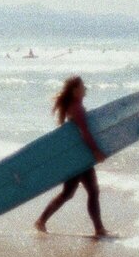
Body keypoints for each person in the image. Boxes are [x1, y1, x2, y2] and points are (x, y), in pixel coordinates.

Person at [34, 76, 109, 237]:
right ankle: (99, 229)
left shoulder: (73, 106)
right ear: (75, 91)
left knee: (70, 193)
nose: (85, 88)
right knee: (91, 192)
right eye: (82, 86)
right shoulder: (77, 108)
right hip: (80, 157)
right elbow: (85, 132)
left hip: (76, 156)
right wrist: (95, 151)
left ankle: (41, 221)